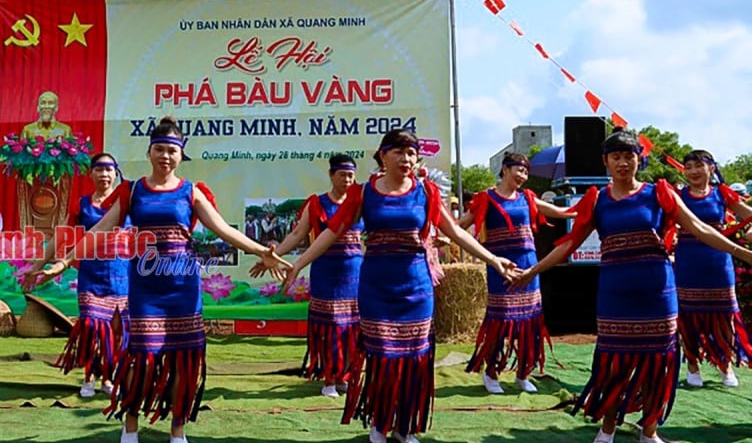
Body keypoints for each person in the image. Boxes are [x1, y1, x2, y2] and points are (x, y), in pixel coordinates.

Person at [46, 117, 289, 443]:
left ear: (181, 155)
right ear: (149, 152)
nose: (165, 156)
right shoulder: (132, 191)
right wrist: (62, 261)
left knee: (181, 359)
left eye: (172, 151)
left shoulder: (192, 192)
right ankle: (130, 426)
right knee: (141, 356)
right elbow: (99, 231)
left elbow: (224, 230)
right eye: (159, 149)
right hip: (146, 287)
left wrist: (263, 250)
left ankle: (178, 430)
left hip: (183, 288)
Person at [511, 128, 752, 443]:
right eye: (616, 157)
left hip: (658, 292)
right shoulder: (597, 200)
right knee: (614, 364)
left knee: (659, 363)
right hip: (616, 294)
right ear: (605, 162)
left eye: (629, 156)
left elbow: (698, 227)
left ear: (640, 160)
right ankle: (607, 429)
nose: (623, 163)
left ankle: (649, 431)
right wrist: (533, 271)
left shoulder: (660, 193)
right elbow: (569, 244)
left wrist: (742, 253)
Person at [282, 129, 518, 443]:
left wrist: (493, 259)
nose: (406, 159)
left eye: (411, 153)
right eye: (399, 152)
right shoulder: (364, 193)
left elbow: (457, 233)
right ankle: (380, 424)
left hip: (417, 289)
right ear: (383, 155)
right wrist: (298, 263)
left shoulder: (428, 192)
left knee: (413, 361)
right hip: (376, 288)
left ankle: (404, 426)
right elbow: (331, 232)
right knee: (382, 358)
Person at [457, 152, 575, 394]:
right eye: (518, 170)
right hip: (501, 268)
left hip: (529, 265)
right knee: (500, 323)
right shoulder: (486, 198)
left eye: (525, 172)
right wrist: (440, 237)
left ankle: (523, 373)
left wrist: (584, 210)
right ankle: (491, 373)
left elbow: (558, 212)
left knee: (530, 323)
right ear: (505, 169)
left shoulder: (527, 198)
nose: (522, 176)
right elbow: (461, 224)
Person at [251, 154, 364, 398]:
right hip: (325, 272)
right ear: (331, 175)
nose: (347, 180)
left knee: (353, 327)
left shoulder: (360, 203)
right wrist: (271, 254)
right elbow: (297, 236)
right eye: (343, 174)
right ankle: (329, 380)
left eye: (352, 175)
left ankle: (345, 375)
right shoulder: (317, 204)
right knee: (330, 326)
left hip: (354, 273)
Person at [25, 153, 129, 398]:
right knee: (92, 328)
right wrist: (38, 265)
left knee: (115, 332)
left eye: (109, 169)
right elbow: (61, 236)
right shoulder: (81, 205)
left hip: (121, 276)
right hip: (91, 275)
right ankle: (89, 377)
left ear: (116, 173)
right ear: (91, 174)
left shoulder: (126, 203)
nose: (104, 174)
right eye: (99, 169)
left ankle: (108, 377)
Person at [675, 150, 752, 388]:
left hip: (719, 261)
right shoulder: (678, 196)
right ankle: (692, 365)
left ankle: (725, 365)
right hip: (688, 261)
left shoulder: (722, 194)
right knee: (687, 316)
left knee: (724, 315)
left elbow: (749, 214)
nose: (693, 171)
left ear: (711, 168)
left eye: (698, 165)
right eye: (688, 166)